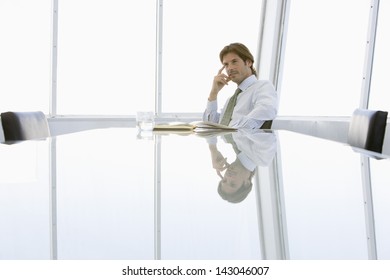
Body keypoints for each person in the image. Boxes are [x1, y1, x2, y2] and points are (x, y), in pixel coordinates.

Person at [203, 43, 277, 129]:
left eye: (234, 62)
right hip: (224, 141)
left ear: (248, 62)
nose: (229, 68)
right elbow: (210, 127)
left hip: (242, 141)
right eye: (226, 64)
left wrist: (231, 130)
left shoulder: (263, 86)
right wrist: (214, 93)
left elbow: (266, 111)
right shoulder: (231, 100)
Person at [207, 129, 277, 203]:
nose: (228, 176)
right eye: (232, 184)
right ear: (247, 183)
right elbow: (248, 124)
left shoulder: (228, 140)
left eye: (224, 180)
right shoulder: (262, 158)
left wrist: (213, 148)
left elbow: (208, 119)